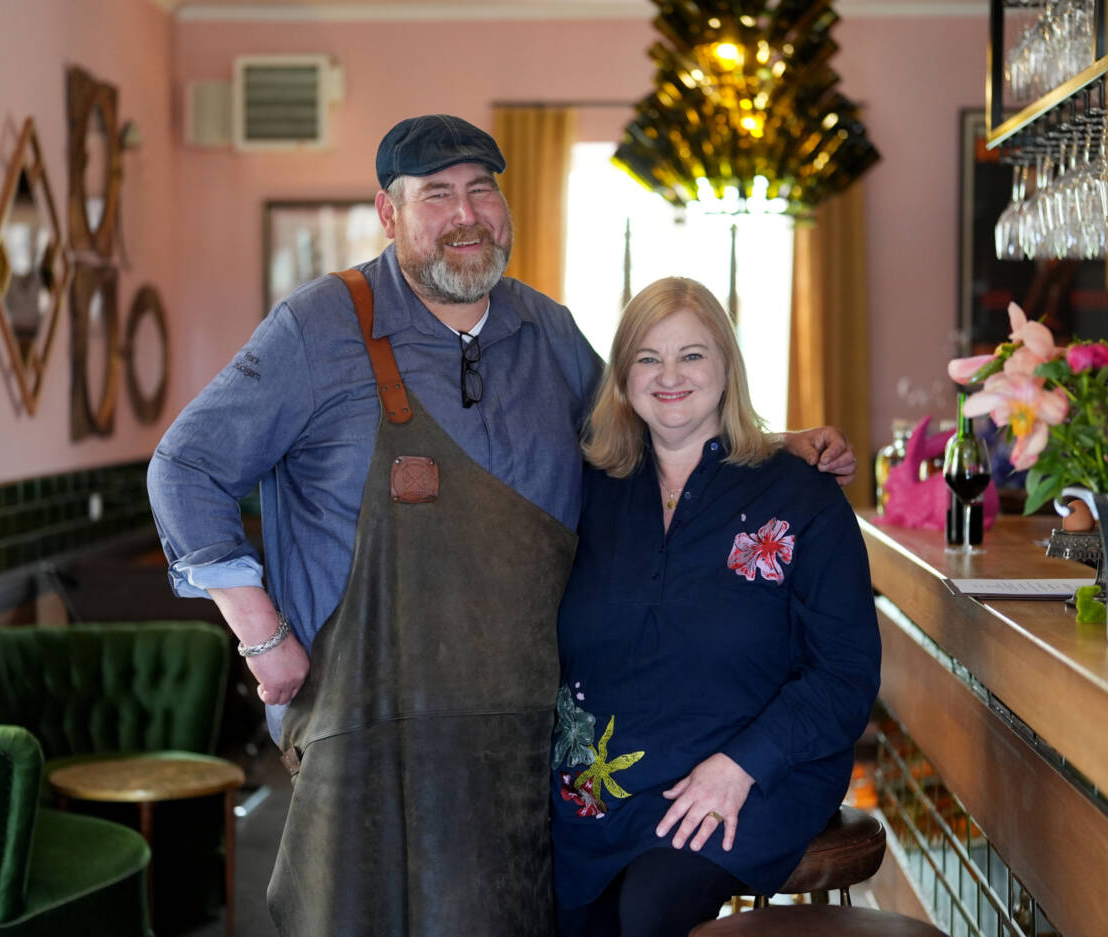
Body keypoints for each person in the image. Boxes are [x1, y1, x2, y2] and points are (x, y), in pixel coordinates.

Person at [147, 114, 856, 937]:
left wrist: (775, 445)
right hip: (367, 738)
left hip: (521, 739)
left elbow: (651, 422)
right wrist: (260, 632)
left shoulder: (545, 331)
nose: (466, 213)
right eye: (437, 194)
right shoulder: (318, 327)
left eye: (482, 189)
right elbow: (183, 466)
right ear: (388, 211)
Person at [550, 276, 881, 937]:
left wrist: (743, 764)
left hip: (757, 767)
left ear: (728, 366)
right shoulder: (585, 489)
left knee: (648, 908)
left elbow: (846, 673)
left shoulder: (801, 496)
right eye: (648, 357)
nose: (670, 375)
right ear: (622, 376)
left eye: (692, 355)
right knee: (563, 910)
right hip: (607, 777)